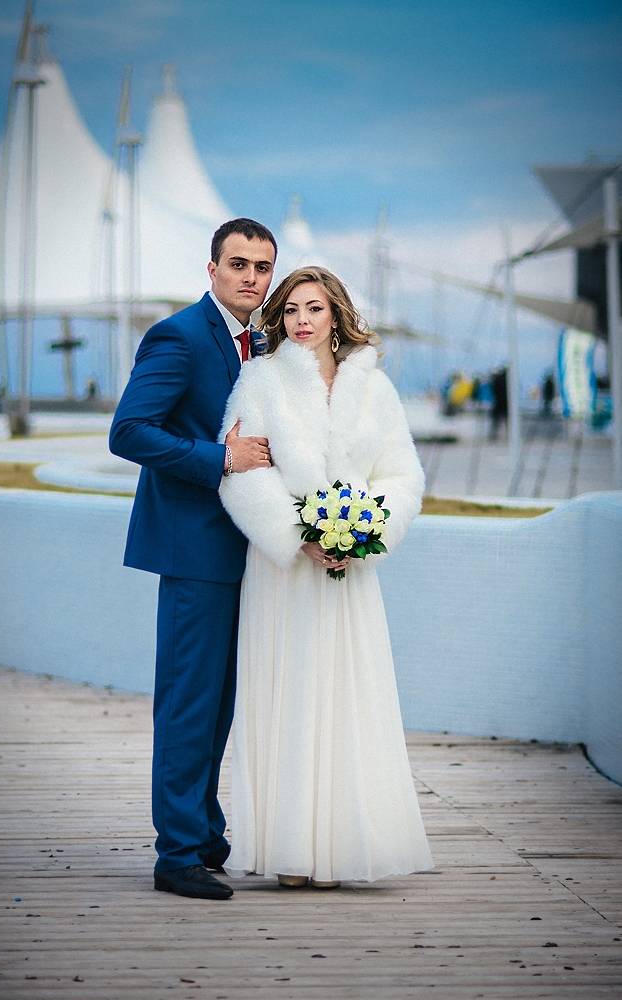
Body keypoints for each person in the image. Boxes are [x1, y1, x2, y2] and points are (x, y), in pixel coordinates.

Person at [218, 266, 434, 887]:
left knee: (348, 700)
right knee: (289, 698)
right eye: (290, 310)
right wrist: (299, 537)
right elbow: (244, 472)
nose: (302, 320)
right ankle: (290, 849)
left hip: (351, 575)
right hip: (284, 571)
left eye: (314, 308)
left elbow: (402, 476)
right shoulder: (260, 380)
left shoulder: (375, 389)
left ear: (336, 313)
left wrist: (363, 533)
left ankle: (340, 847)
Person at [109, 218, 277, 900]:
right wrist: (220, 459)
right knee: (188, 703)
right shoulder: (178, 336)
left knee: (218, 705)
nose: (250, 277)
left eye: (261, 267)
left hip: (243, 548)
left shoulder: (260, 342)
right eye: (238, 264)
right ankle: (176, 855)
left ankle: (205, 834)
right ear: (212, 269)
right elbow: (129, 431)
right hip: (191, 549)